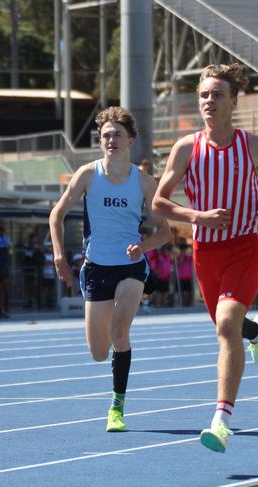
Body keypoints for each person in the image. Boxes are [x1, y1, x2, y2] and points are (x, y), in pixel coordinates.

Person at [152, 63, 258, 453]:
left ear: (233, 101)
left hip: (244, 246)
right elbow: (159, 201)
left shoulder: (256, 145)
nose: (209, 101)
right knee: (226, 327)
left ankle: (220, 421)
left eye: (216, 94)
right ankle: (257, 331)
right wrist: (197, 217)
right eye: (203, 95)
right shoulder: (186, 147)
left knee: (226, 326)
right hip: (205, 253)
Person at [49, 106, 171, 432]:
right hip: (96, 267)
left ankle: (117, 407)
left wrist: (142, 248)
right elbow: (56, 215)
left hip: (131, 267)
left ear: (130, 140)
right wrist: (60, 255)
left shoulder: (144, 182)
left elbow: (165, 232)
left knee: (120, 333)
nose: (111, 140)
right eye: (105, 135)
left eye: (117, 134)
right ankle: (113, 374)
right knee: (99, 352)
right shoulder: (87, 175)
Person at [22, 233, 44, 308]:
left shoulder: (39, 247)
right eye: (34, 238)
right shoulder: (28, 247)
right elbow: (27, 255)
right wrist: (34, 249)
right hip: (29, 269)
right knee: (28, 286)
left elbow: (42, 255)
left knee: (37, 286)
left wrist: (39, 249)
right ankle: (28, 301)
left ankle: (39, 302)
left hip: (38, 269)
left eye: (36, 238)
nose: (35, 240)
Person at [176, 240, 194, 307]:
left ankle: (189, 303)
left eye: (184, 251)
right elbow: (178, 265)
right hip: (181, 277)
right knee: (183, 291)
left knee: (189, 291)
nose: (183, 252)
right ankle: (183, 303)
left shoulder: (189, 257)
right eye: (182, 251)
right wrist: (181, 258)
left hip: (188, 277)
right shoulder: (178, 258)